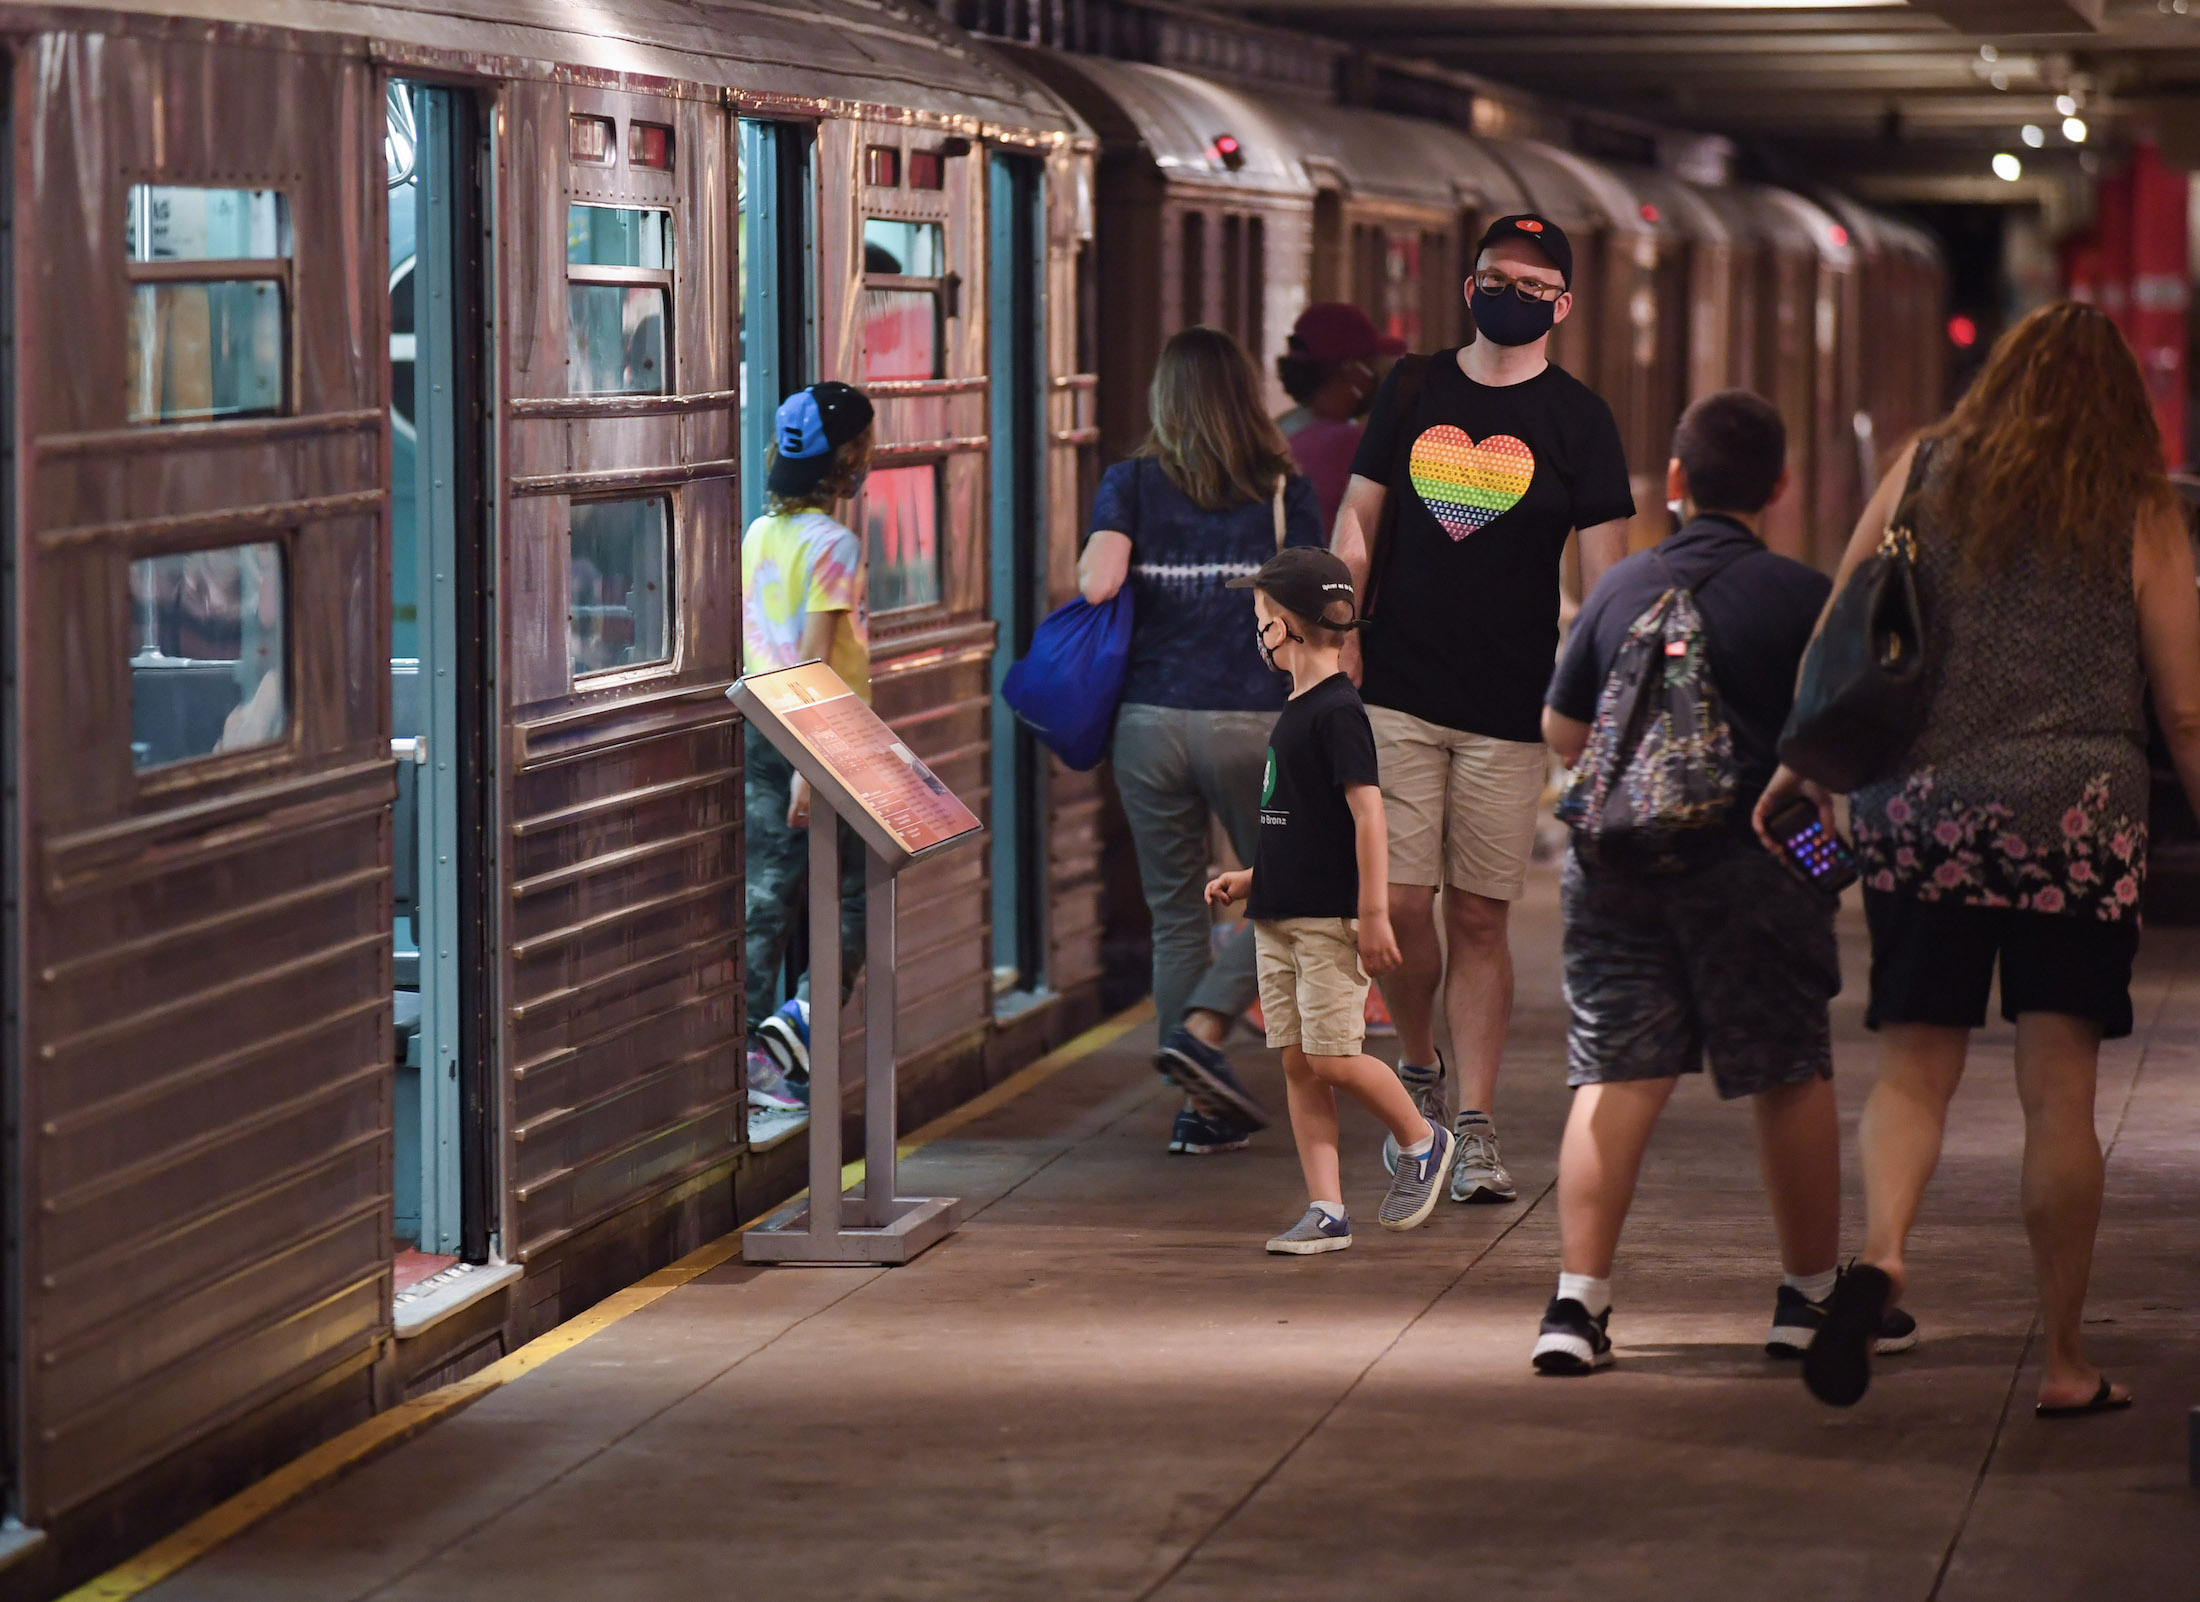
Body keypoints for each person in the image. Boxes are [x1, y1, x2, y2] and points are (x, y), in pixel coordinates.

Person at [1757, 302, 2200, 1416]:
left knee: (1914, 1068)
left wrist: (1800, 767)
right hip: (2077, 821)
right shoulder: (2137, 505)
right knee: (2059, 1092)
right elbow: (2184, 704)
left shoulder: (1926, 465)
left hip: (1924, 809)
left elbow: (1837, 631)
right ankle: (2062, 1362)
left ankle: (1888, 1257)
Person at [1532, 390, 1916, 1373]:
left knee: (1614, 1073)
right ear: (1779, 489)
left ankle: (1576, 1308)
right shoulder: (1802, 599)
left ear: (1673, 483)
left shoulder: (1620, 589)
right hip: (1755, 868)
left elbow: (1565, 736)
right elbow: (1846, 735)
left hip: (1615, 868)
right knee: (1787, 1072)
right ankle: (1805, 1297)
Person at [1334, 214, 1636, 1204]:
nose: (1510, 291)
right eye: (1494, 274)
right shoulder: (1413, 390)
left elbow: (1604, 585)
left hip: (1513, 704)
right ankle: (1419, 1057)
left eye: (1532, 280)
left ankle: (1474, 1124)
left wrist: (1596, 704)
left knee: (1477, 916)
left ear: (1564, 303)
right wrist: (1339, 624)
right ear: (1467, 287)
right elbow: (1358, 515)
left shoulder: (1579, 420)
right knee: (1404, 907)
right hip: (1399, 691)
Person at [1079, 327, 1327, 1154]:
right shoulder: (1286, 490)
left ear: (1165, 401)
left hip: (1148, 725)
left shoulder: (1132, 483)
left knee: (1176, 915)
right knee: (1289, 896)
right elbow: (1324, 610)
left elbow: (1097, 581)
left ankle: (1196, 1106)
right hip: (1253, 723)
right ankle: (1206, 1034)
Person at [1200, 547, 1454, 1252]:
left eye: (1260, 619)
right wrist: (1253, 878)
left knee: (1334, 1058)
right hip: (1280, 913)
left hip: (1328, 924)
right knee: (1297, 1060)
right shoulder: (1298, 708)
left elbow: (1369, 815)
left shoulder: (1339, 711)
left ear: (1286, 627)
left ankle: (1422, 1137)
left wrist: (1373, 913)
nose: (1257, 633)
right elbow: (1301, 820)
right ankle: (1327, 1210)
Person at [741, 380, 877, 1112]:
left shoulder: (761, 534)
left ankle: (750, 1063)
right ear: (850, 457)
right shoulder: (835, 544)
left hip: (761, 724)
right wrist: (809, 760)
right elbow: (814, 656)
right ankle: (796, 1025)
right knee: (858, 894)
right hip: (820, 737)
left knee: (766, 901)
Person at [1275, 302, 1404, 529]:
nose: (1377, 377)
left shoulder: (1279, 430)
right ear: (1351, 370)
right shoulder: (1345, 444)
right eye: (1371, 365)